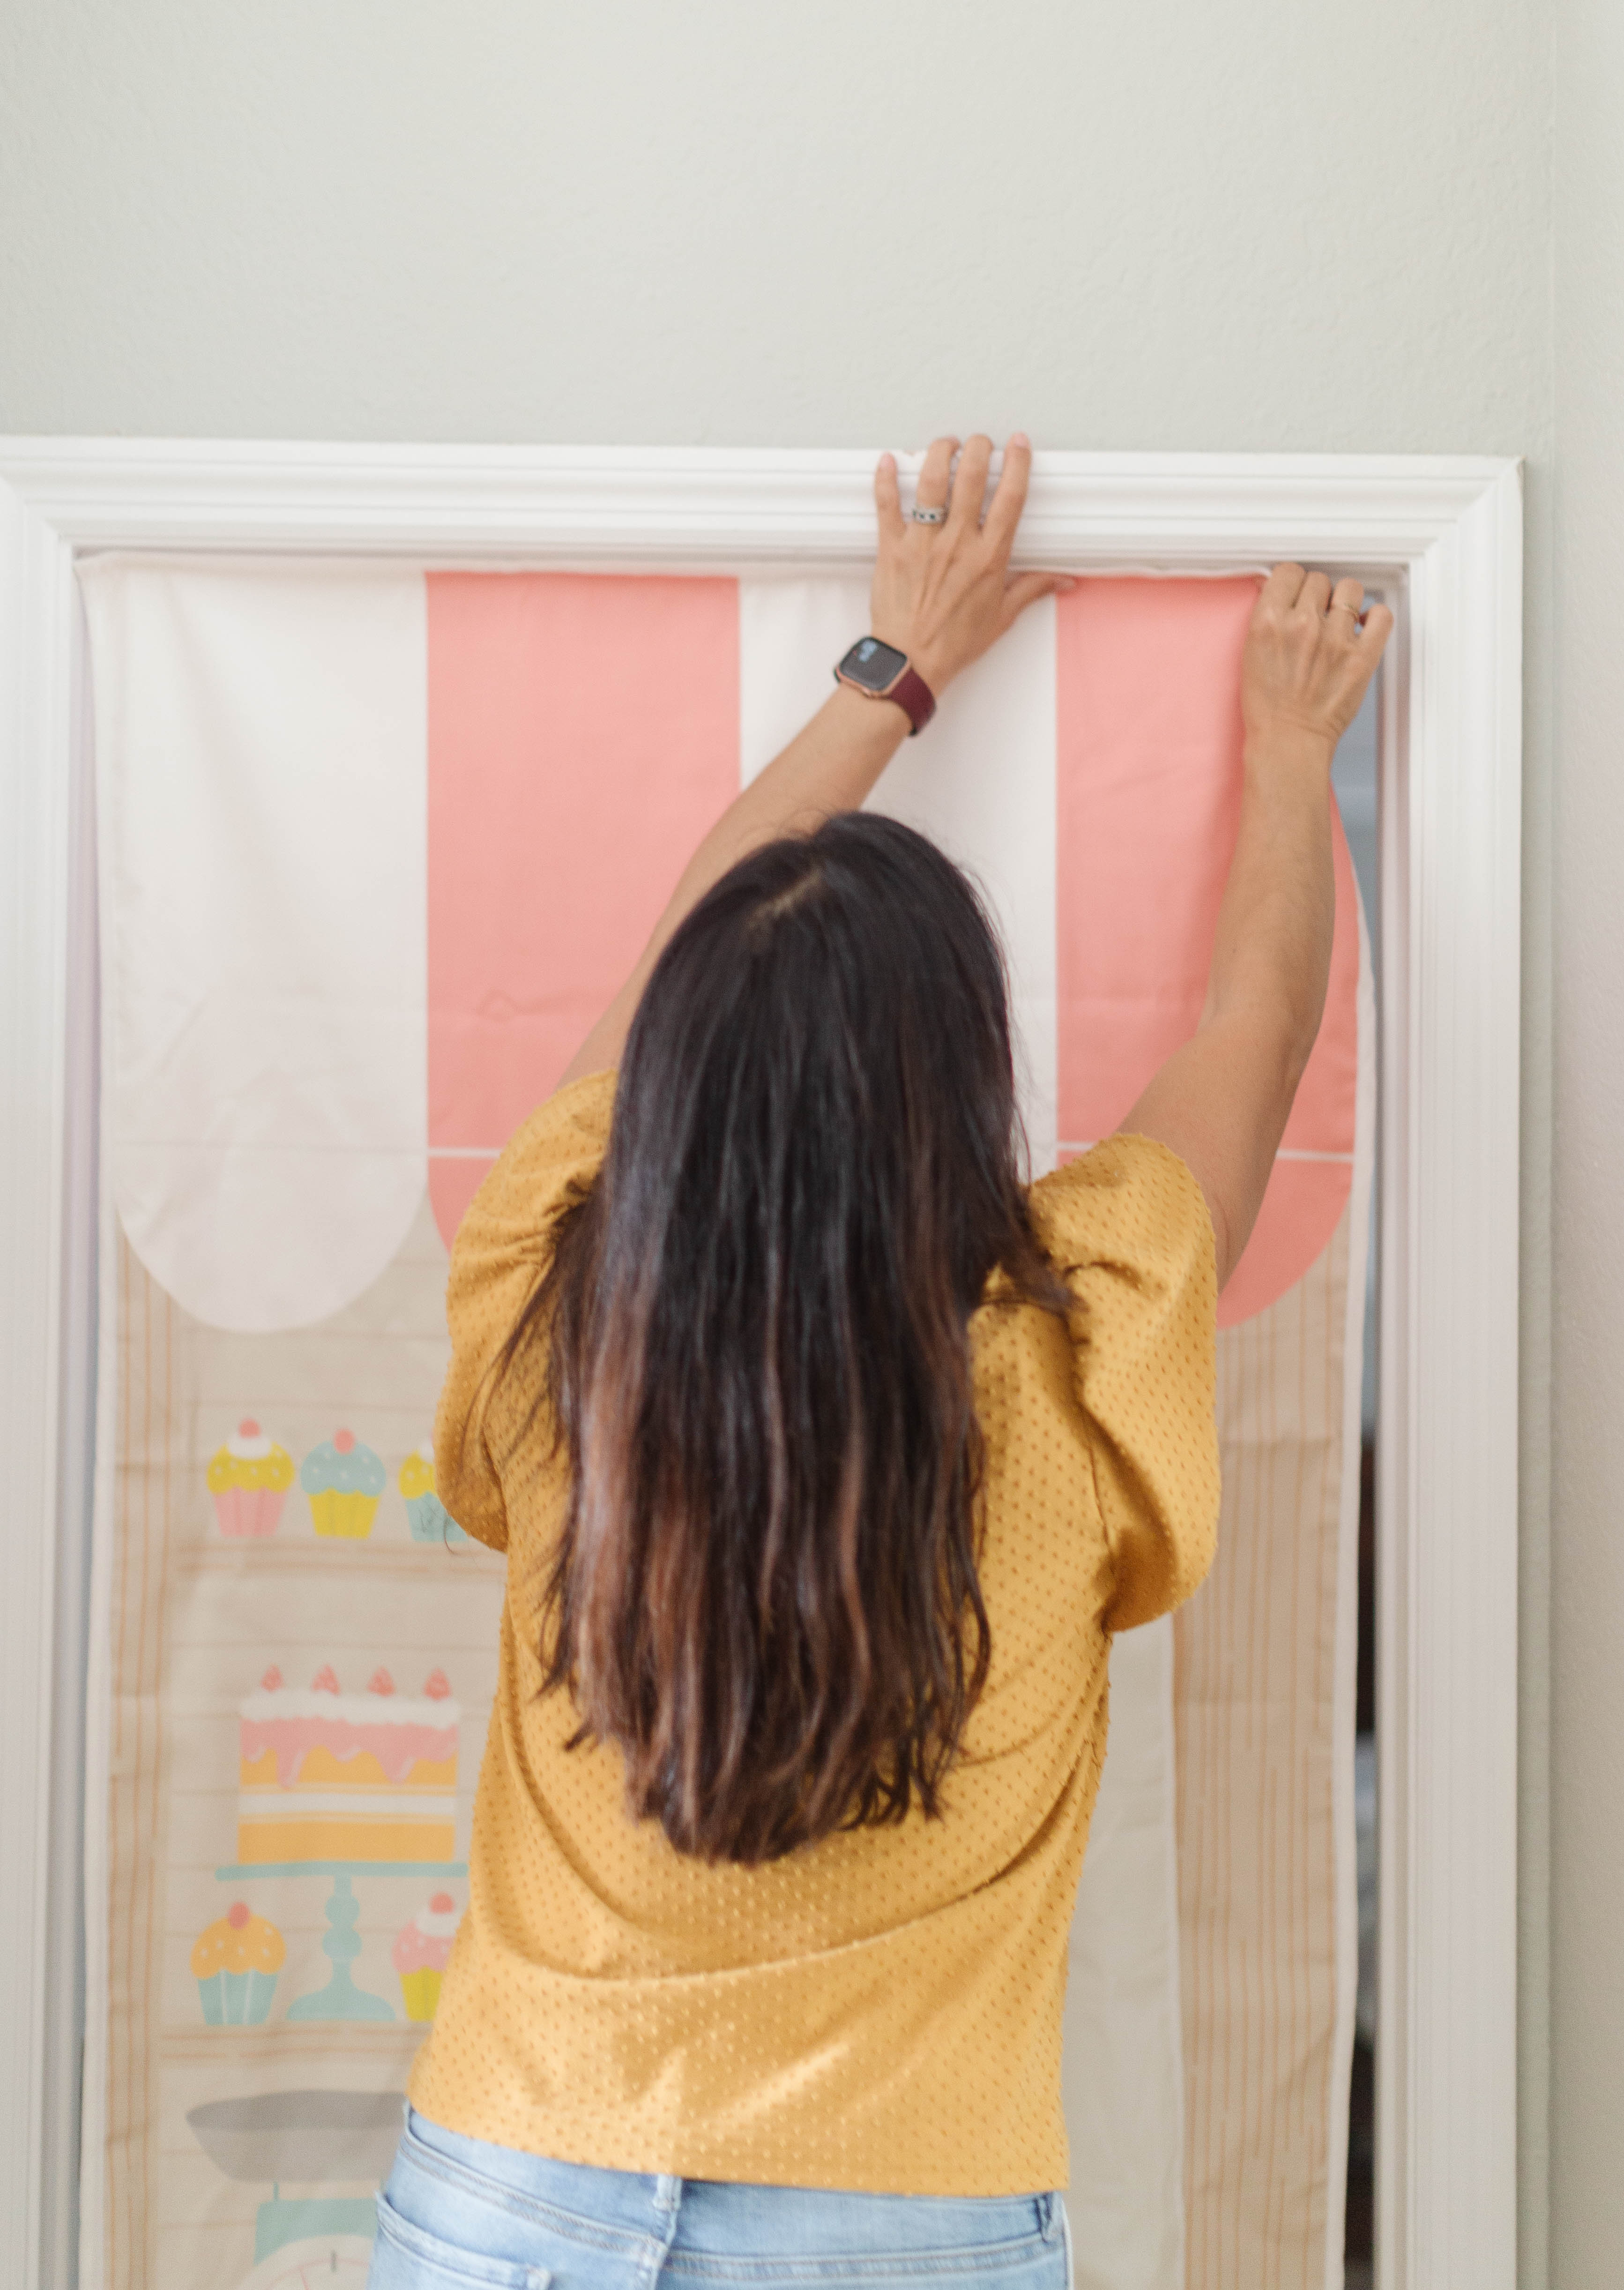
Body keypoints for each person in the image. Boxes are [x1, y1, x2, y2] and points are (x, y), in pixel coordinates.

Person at [369, 433, 1393, 2290]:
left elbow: (701, 929)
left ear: (668, 1091)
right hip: (893, 2226)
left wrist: (890, 675)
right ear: (955, 1096)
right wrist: (1282, 744)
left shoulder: (551, 1292)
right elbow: (1260, 1018)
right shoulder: (1083, 1330)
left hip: (511, 2185)